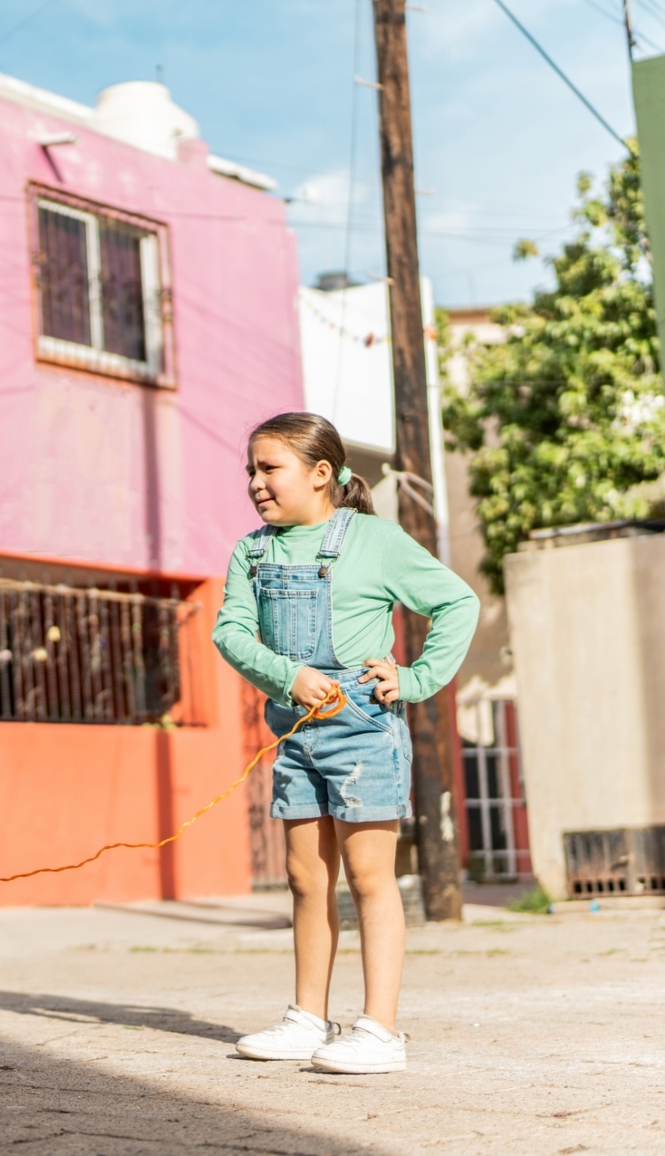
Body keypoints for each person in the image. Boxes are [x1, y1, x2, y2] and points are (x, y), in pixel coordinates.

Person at [213, 412, 477, 1075]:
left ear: (321, 473)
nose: (255, 483)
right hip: (296, 733)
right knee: (307, 878)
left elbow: (457, 602)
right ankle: (308, 1018)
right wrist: (288, 676)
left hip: (364, 729)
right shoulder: (252, 552)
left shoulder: (374, 541)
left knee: (368, 877)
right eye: (251, 469)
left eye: (269, 468)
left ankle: (380, 1030)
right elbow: (231, 634)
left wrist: (415, 678)